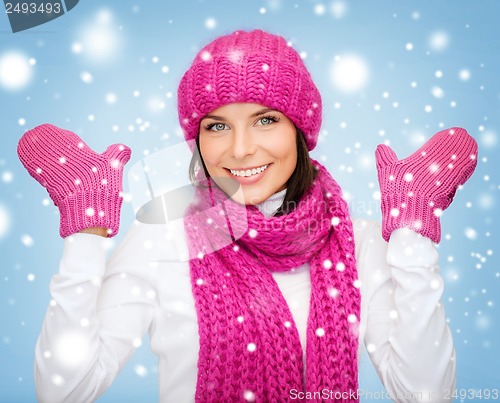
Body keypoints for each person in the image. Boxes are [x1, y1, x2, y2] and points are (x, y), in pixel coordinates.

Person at [17, 29, 478, 403]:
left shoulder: (359, 241)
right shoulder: (164, 237)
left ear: (300, 129)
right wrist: (85, 233)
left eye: (265, 120)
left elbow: (426, 394)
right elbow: (64, 392)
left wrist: (413, 233)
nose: (240, 149)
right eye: (217, 126)